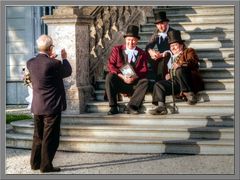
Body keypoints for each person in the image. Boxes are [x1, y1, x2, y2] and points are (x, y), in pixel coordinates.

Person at [27, 34, 72, 173]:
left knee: (38, 135)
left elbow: (43, 70)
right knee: (50, 138)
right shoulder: (55, 63)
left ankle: (35, 163)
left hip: (38, 105)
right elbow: (67, 72)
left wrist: (50, 59)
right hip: (51, 106)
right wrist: (64, 58)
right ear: (50, 47)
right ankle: (46, 166)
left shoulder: (30, 62)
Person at [148, 30, 204, 115]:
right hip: (176, 83)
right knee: (159, 84)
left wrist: (180, 64)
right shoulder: (170, 57)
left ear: (181, 45)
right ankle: (161, 106)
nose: (173, 48)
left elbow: (193, 61)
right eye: (171, 46)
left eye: (175, 45)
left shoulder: (188, 51)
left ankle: (189, 94)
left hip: (188, 81)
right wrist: (168, 75)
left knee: (179, 70)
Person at [105, 25, 149, 115]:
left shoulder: (142, 53)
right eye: (129, 39)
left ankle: (131, 106)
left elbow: (144, 70)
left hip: (133, 84)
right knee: (110, 76)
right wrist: (122, 76)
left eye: (133, 40)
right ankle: (113, 107)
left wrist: (134, 77)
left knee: (145, 81)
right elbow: (110, 65)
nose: (131, 42)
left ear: (137, 41)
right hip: (120, 82)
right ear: (125, 39)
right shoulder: (117, 49)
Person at [145, 11, 175, 83]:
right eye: (158, 24)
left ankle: (161, 81)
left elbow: (176, 50)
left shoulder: (173, 32)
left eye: (162, 24)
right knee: (147, 54)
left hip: (171, 56)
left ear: (166, 23)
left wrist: (163, 54)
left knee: (163, 61)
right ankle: (154, 78)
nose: (160, 27)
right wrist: (151, 51)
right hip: (160, 56)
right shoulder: (156, 32)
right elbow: (148, 45)